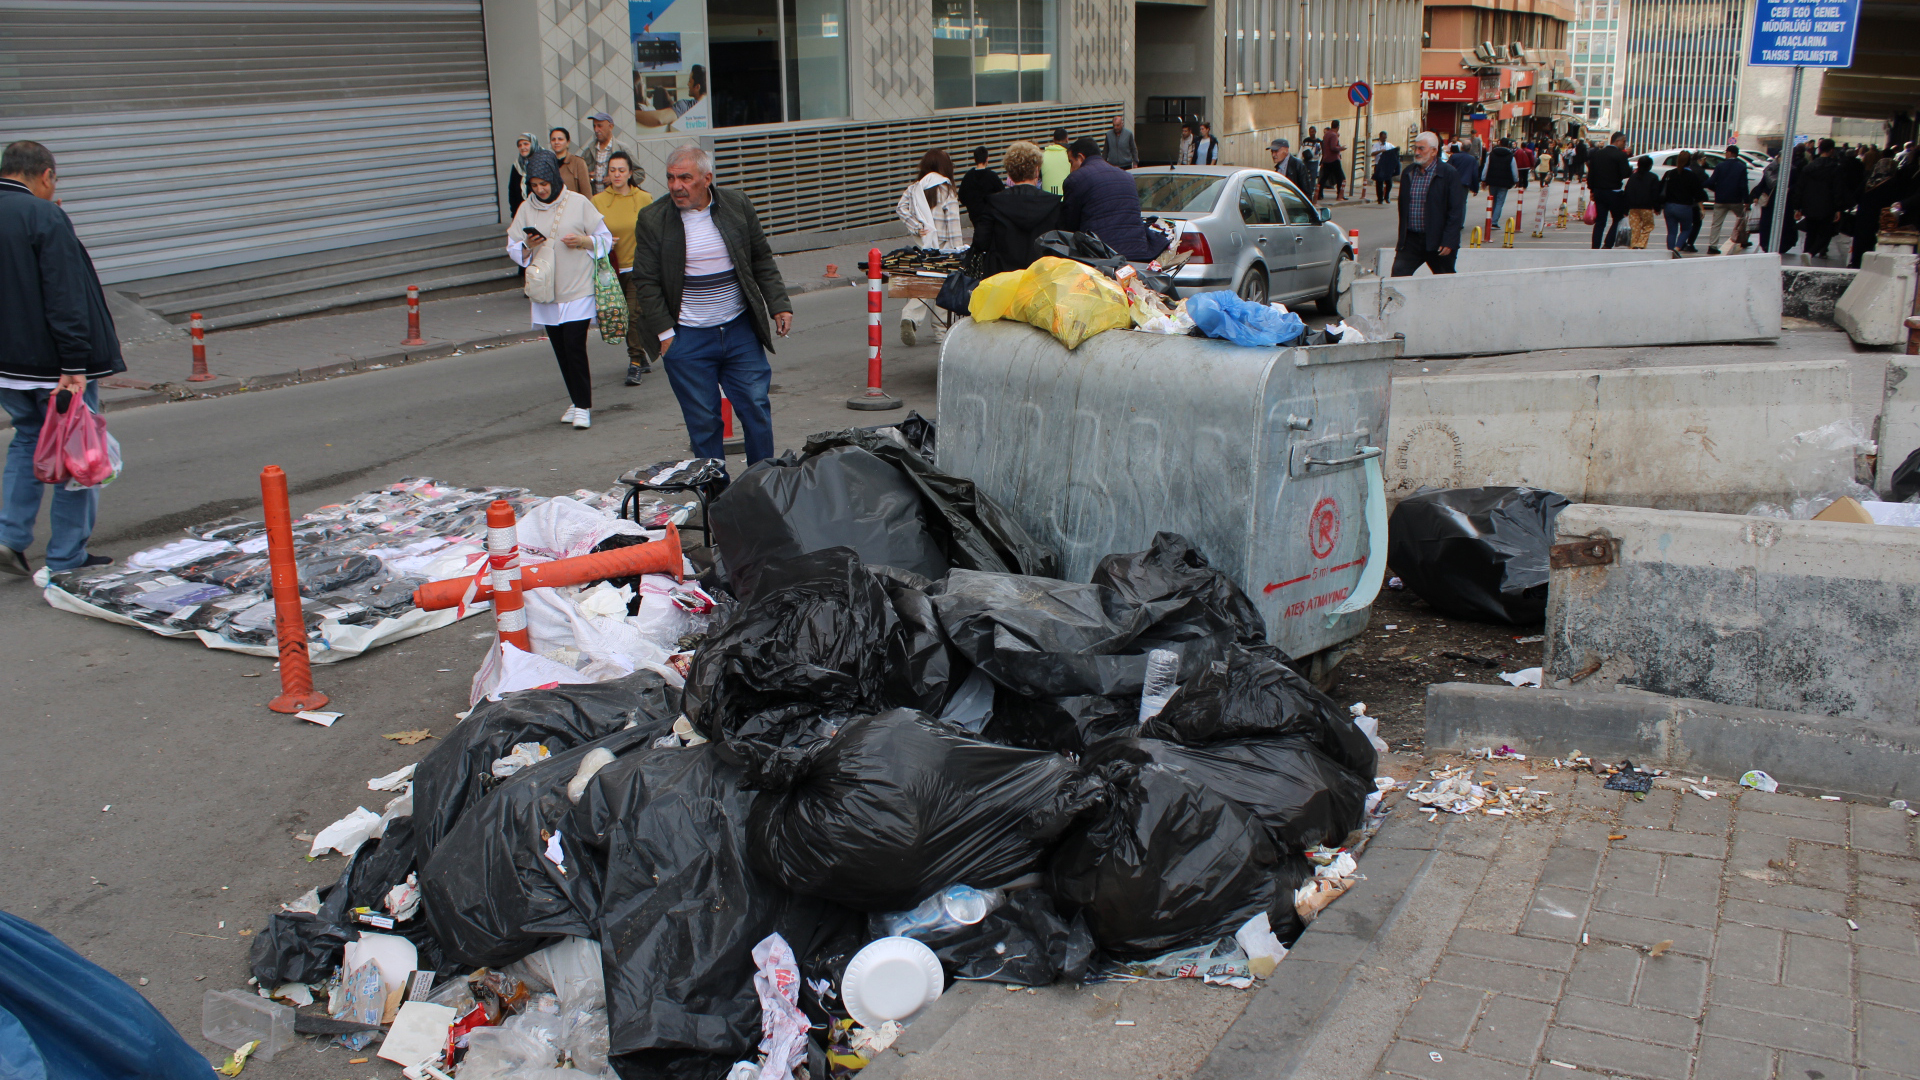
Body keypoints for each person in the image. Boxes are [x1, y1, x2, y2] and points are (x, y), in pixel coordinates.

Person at [0, 140, 124, 576]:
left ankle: (9, 537)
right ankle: (66, 556)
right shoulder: (43, 214)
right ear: (46, 175)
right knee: (79, 448)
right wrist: (74, 364)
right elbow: (65, 295)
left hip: (7, 367)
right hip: (54, 365)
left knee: (28, 438)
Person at [630, 145, 792, 465]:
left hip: (738, 330)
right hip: (687, 337)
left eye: (685, 178)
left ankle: (763, 485)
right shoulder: (654, 218)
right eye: (671, 178)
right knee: (704, 424)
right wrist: (666, 336)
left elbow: (760, 258)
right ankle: (715, 497)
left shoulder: (736, 204)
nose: (676, 186)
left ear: (707, 179)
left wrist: (778, 304)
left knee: (756, 409)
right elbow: (645, 281)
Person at [507, 149, 612, 430]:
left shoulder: (578, 203)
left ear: (554, 177)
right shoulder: (526, 208)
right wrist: (528, 246)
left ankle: (583, 406)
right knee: (561, 350)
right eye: (535, 185)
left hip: (577, 289)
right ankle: (577, 400)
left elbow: (605, 239)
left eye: (545, 184)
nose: (540, 190)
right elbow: (513, 247)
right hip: (546, 294)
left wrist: (583, 240)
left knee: (575, 346)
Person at [592, 150, 656, 386]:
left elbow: (653, 234)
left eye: (621, 170)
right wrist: (603, 240)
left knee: (632, 316)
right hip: (611, 270)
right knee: (617, 315)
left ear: (630, 173)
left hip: (639, 269)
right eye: (612, 170)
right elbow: (590, 234)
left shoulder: (643, 199)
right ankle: (640, 352)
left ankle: (635, 363)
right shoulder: (597, 202)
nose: (617, 175)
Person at [894, 148, 965, 345]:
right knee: (943, 284)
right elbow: (953, 222)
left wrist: (917, 227)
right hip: (943, 247)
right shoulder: (946, 189)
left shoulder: (915, 187)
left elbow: (901, 208)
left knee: (926, 282)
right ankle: (941, 331)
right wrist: (958, 249)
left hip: (923, 245)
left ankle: (910, 316)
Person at [1060, 137, 1168, 262]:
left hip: (1101, 257)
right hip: (1138, 254)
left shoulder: (1076, 179)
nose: (1071, 169)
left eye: (1071, 162)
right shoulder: (1127, 176)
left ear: (1081, 157)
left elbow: (1069, 225)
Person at [964, 140, 1061, 276]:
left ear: (1010, 173)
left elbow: (981, 241)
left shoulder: (994, 203)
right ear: (1037, 170)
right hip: (1041, 277)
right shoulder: (1053, 204)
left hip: (1003, 278)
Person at [1390, 132, 1466, 277]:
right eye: (1415, 148)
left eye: (1421, 149)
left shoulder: (1448, 173)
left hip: (1438, 240)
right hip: (1411, 240)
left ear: (1434, 151)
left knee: (1444, 279)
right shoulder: (1409, 172)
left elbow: (1456, 210)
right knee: (1398, 277)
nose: (1417, 152)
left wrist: (1449, 240)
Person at [1796, 138, 1845, 260]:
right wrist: (1838, 208)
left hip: (1809, 204)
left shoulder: (1809, 167)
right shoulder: (1835, 168)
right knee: (1826, 233)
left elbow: (1800, 187)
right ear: (1832, 150)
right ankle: (1810, 253)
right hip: (1827, 205)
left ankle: (1806, 253)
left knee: (1810, 232)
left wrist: (1797, 207)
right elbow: (1838, 189)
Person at [1850, 158, 1901, 267]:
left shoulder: (1869, 180)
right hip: (1880, 217)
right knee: (1874, 242)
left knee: (1860, 241)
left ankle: (1856, 263)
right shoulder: (1893, 182)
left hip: (1863, 216)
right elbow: (1894, 201)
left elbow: (1856, 196)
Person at [1586, 131, 1631, 248]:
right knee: (1618, 218)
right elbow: (1625, 173)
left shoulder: (1598, 154)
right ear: (1617, 141)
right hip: (1614, 191)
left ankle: (1595, 246)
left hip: (1599, 191)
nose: (1625, 144)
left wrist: (1592, 190)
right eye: (1624, 141)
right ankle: (1608, 244)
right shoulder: (1620, 155)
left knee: (1600, 221)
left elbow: (1591, 174)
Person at [636, 64, 709, 130]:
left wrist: (632, 113)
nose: (687, 84)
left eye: (690, 81)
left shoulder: (685, 107)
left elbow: (660, 119)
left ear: (697, 87)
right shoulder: (711, 108)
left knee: (660, 90)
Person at [1706, 144, 1750, 252]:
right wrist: (1747, 200)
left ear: (1730, 153)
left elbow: (1711, 182)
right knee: (1742, 219)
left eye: (1726, 152)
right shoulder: (1741, 167)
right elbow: (1743, 185)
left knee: (1716, 223)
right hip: (1735, 199)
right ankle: (1743, 240)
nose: (1725, 154)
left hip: (1720, 199)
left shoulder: (1720, 166)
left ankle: (1713, 245)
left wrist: (1717, 190)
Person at [1661, 150, 1703, 253]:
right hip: (1685, 207)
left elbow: (1661, 189)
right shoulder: (1692, 176)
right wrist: (1701, 208)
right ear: (1690, 161)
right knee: (1686, 229)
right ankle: (1678, 247)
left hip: (1669, 206)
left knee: (1671, 232)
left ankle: (1670, 251)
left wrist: (1658, 206)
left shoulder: (1669, 173)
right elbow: (1698, 193)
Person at [1621, 155, 1663, 249]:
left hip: (1633, 207)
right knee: (1648, 226)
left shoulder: (1633, 177)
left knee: (1635, 227)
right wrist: (1657, 207)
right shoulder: (1653, 177)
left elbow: (1628, 192)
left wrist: (1625, 208)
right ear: (1650, 165)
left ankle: (1633, 244)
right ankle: (1641, 243)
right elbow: (1655, 194)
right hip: (1646, 206)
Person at [582, 112, 626, 195]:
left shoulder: (622, 149)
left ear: (611, 127)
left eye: (599, 126)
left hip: (615, 199)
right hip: (595, 202)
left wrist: (615, 179)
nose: (596, 130)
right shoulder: (589, 151)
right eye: (594, 126)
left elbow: (639, 173)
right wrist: (587, 176)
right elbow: (579, 174)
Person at [957, 145, 1005, 222]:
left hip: (974, 215)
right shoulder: (992, 176)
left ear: (975, 159)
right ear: (987, 159)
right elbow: (1002, 193)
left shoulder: (968, 176)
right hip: (991, 216)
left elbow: (961, 196)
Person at [1484, 138, 1519, 230]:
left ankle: (1489, 219)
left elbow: (1486, 167)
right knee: (1500, 202)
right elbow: (1514, 170)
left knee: (1492, 200)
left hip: (1492, 181)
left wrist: (1483, 179)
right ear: (1508, 145)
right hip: (1504, 182)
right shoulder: (1511, 156)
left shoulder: (1491, 155)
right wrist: (1516, 180)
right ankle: (1494, 222)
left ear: (1499, 144)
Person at [548, 127, 592, 197]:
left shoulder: (578, 162)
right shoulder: (548, 163)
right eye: (553, 139)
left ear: (568, 142)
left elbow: (586, 192)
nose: (556, 142)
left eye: (560, 139)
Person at [507, 133, 536, 217]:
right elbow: (512, 190)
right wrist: (514, 213)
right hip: (522, 212)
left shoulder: (542, 162)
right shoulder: (517, 165)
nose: (522, 147)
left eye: (526, 144)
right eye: (519, 145)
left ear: (533, 144)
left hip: (540, 211)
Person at [1320, 120, 1346, 200]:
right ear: (1338, 127)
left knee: (1324, 177)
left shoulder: (1327, 134)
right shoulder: (1334, 135)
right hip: (1334, 159)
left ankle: (1319, 193)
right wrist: (1341, 148)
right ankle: (1340, 194)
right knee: (1341, 177)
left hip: (1326, 159)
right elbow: (1333, 147)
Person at [1041, 128, 1071, 195]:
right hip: (1066, 198)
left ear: (1053, 140)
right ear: (1067, 139)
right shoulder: (1071, 155)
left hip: (1048, 199)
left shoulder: (1043, 155)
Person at [1373, 137, 1401, 204]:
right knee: (1379, 183)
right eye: (1383, 137)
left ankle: (1387, 196)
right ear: (1380, 137)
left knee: (1389, 183)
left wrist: (1397, 149)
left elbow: (1395, 152)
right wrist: (1380, 151)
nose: (1384, 138)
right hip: (1379, 165)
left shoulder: (1389, 145)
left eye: (1385, 137)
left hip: (1387, 167)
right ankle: (1380, 199)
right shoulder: (1376, 145)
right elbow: (1372, 153)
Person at [1302, 125, 1323, 193]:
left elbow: (1320, 153)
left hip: (1314, 161)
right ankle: (1305, 189)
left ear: (1315, 132)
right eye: (1310, 132)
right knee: (1305, 175)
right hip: (1306, 160)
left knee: (1313, 177)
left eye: (1313, 131)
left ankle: (1311, 190)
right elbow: (1301, 150)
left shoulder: (1319, 142)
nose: (1312, 133)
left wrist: (1320, 162)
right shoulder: (1306, 140)